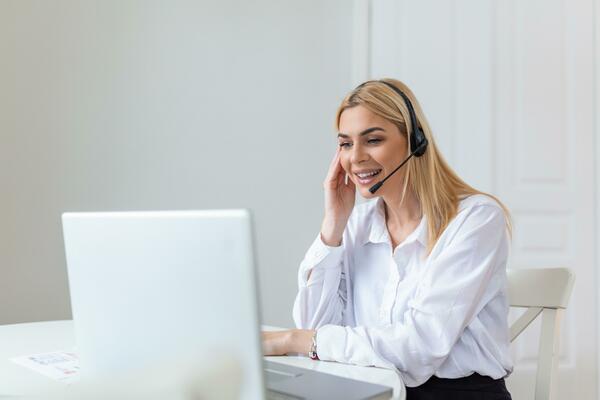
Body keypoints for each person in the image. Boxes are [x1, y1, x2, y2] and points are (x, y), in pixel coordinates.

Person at [262, 78, 513, 399]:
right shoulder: (357, 225)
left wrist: (292, 340)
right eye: (345, 144)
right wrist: (332, 227)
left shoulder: (475, 218)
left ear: (416, 141)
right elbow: (315, 329)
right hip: (372, 387)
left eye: (373, 140)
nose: (355, 158)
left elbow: (420, 347)